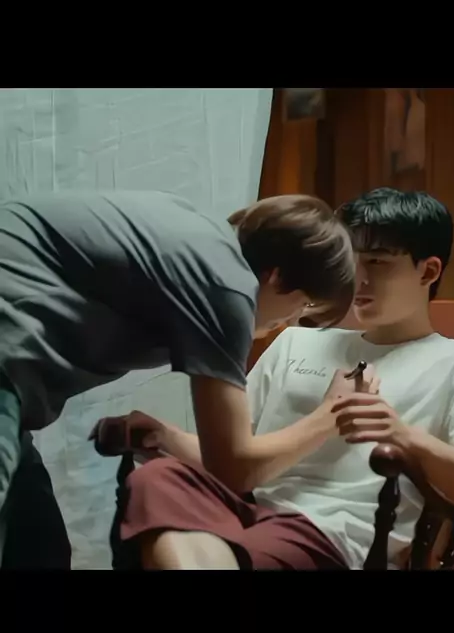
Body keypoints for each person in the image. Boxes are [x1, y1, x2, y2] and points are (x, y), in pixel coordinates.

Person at [96, 187, 454, 570]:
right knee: (158, 477)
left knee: (194, 544)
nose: (358, 277)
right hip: (244, 510)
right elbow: (236, 460)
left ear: (428, 271)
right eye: (351, 260)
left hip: (330, 532)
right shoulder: (296, 340)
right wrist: (166, 437)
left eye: (377, 262)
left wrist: (404, 435)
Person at [0, 190, 355, 568]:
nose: (294, 320)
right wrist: (333, 414)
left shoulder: (203, 246)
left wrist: (165, 436)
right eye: (306, 304)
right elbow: (234, 467)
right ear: (277, 276)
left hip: (13, 372)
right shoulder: (227, 284)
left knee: (38, 547)